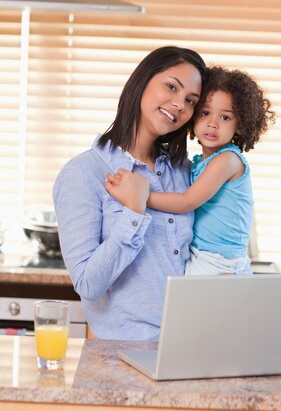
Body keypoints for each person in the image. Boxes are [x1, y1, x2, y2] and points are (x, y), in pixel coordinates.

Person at [53, 46, 206, 340]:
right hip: (122, 357)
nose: (179, 104)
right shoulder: (83, 174)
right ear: (142, 82)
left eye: (190, 100)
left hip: (187, 346)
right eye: (171, 87)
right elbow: (87, 284)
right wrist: (134, 211)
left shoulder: (184, 172)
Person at [106, 66, 275, 276]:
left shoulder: (228, 160)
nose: (212, 123)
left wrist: (140, 197)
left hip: (220, 262)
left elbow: (187, 201)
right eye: (205, 113)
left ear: (240, 125)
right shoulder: (198, 163)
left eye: (225, 117)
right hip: (204, 257)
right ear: (193, 117)